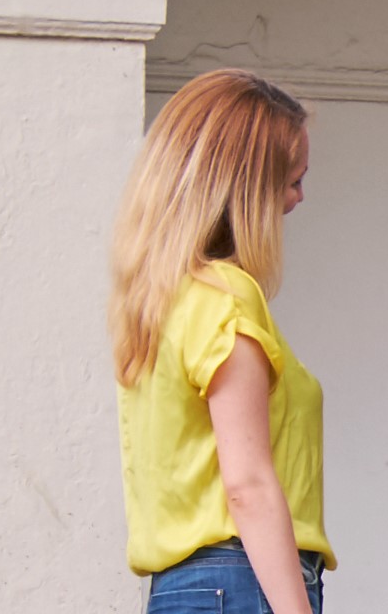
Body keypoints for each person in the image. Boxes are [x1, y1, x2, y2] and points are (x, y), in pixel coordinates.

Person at [112, 69, 334, 614]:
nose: (299, 200)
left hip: (183, 587)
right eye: (292, 181)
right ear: (246, 190)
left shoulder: (161, 299)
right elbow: (248, 486)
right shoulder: (226, 296)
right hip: (241, 580)